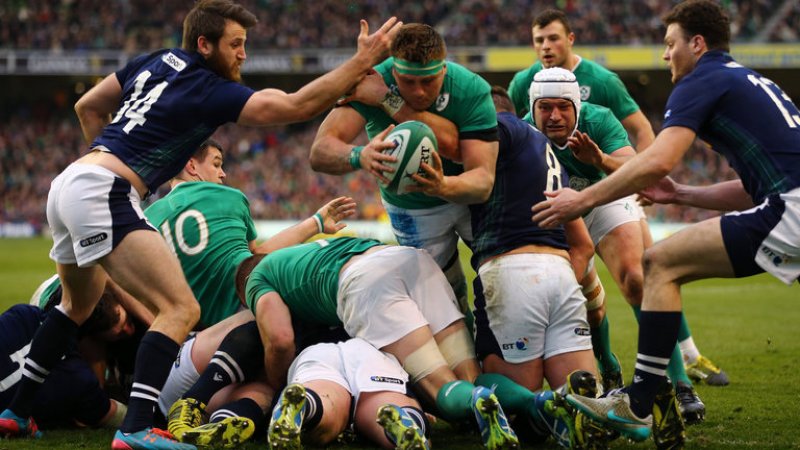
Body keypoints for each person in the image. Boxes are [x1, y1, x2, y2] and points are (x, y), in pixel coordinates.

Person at [0, 0, 401, 447]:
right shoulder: (209, 88)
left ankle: (16, 412)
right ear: (205, 44)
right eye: (235, 44)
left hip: (69, 181)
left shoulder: (154, 60)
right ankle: (135, 429)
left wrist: (113, 159)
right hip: (104, 191)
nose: (243, 54)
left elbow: (87, 105)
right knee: (181, 310)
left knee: (75, 306)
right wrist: (361, 61)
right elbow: (296, 105)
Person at [532, 0, 800, 441]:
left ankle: (638, 403)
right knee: (659, 264)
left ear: (697, 44)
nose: (665, 54)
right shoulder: (748, 80)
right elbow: (753, 189)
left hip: (791, 210)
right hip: (788, 203)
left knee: (659, 263)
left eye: (670, 43)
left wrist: (582, 200)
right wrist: (681, 193)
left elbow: (657, 159)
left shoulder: (701, 81)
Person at [510, 9, 728, 386]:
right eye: (539, 40)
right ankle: (607, 361)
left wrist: (636, 176)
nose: (546, 46)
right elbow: (514, 136)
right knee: (582, 296)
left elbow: (641, 131)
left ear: (570, 39)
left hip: (607, 190)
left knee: (638, 276)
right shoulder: (522, 86)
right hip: (557, 203)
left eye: (553, 38)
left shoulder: (601, 86)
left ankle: (683, 370)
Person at [527, 67, 707, 426]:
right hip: (556, 212)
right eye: (544, 107)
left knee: (637, 279)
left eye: (563, 106)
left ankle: (681, 383)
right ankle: (607, 363)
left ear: (577, 106)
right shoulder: (523, 133)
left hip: (604, 198)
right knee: (585, 304)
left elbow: (635, 167)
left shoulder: (599, 120)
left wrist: (600, 160)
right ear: (532, 108)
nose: (554, 116)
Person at [242, 236, 520, 450]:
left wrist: (276, 385)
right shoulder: (305, 253)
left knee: (439, 384)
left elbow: (280, 340)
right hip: (411, 260)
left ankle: (471, 403)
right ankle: (532, 403)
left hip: (367, 283)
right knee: (469, 374)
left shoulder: (256, 279)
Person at [310, 23, 500, 326]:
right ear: (393, 70)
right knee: (442, 303)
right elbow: (319, 152)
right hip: (411, 209)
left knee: (500, 280)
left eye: (429, 81)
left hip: (468, 198)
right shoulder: (370, 80)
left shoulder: (470, 88)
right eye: (407, 81)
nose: (419, 91)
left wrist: (389, 99)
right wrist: (360, 155)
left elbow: (481, 179)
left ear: (444, 68)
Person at [466, 86, 603, 449]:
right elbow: (583, 245)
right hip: (561, 273)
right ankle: (587, 407)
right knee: (582, 400)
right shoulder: (551, 157)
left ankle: (537, 404)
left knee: (504, 400)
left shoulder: (497, 128)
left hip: (511, 271)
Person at [144, 139, 356, 329]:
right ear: (191, 166)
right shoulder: (229, 196)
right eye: (216, 164)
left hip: (195, 334)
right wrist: (316, 223)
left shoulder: (148, 217)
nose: (223, 173)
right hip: (248, 310)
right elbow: (256, 255)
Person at [0, 295, 136, 436]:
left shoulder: (23, 314)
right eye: (120, 334)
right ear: (92, 341)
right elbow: (116, 416)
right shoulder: (81, 380)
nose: (130, 331)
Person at [268, 338, 431, 450]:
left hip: (315, 351)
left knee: (323, 400)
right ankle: (409, 422)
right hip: (369, 350)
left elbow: (280, 340)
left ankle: (305, 405)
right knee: (385, 406)